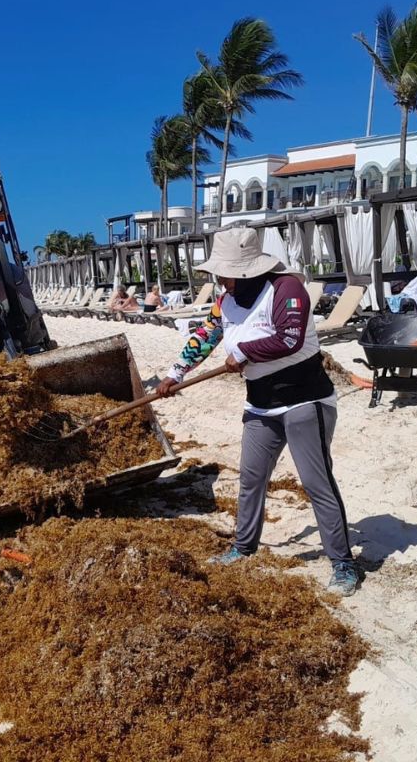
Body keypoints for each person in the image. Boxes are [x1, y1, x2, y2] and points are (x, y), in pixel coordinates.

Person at [153, 228, 358, 596]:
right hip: (261, 404)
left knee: (316, 482)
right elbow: (206, 335)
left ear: (248, 270)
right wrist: (175, 374)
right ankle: (243, 547)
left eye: (227, 274)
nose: (221, 280)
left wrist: (244, 353)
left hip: (305, 400)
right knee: (251, 479)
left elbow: (289, 338)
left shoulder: (286, 289)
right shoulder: (225, 300)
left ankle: (343, 564)